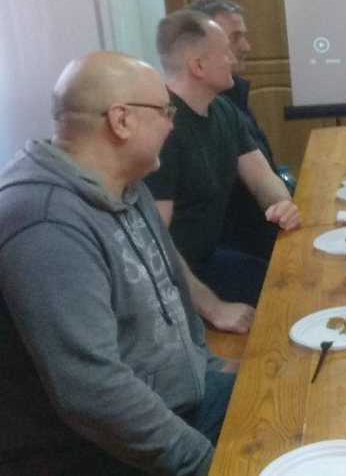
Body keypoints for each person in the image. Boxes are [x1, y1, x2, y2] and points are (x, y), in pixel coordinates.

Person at [0, 51, 237, 474]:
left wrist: (207, 365)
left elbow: (171, 297)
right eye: (165, 112)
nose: (172, 124)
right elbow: (92, 392)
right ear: (120, 120)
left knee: (297, 399)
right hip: (98, 454)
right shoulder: (44, 222)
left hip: (178, 405)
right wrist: (208, 463)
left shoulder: (127, 183)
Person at [146, 9, 301, 307]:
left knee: (294, 280)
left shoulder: (223, 109)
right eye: (224, 53)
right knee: (282, 303)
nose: (233, 60)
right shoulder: (162, 130)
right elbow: (155, 242)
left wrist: (282, 205)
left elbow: (262, 179)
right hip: (175, 279)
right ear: (198, 66)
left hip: (209, 258)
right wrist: (215, 309)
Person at [187, 0, 284, 259]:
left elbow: (263, 179)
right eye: (234, 38)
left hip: (264, 230)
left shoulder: (228, 103)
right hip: (239, 249)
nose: (246, 47)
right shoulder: (180, 121)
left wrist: (285, 206)